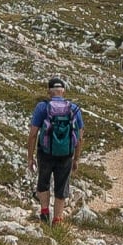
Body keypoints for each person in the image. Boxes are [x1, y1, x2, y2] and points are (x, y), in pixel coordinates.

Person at [26, 77, 84, 225]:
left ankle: (45, 212)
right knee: (62, 185)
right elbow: (80, 138)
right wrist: (76, 159)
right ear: (63, 91)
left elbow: (33, 135)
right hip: (66, 154)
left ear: (48, 92)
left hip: (45, 152)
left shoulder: (42, 107)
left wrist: (30, 157)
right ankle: (58, 219)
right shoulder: (74, 108)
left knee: (43, 182)